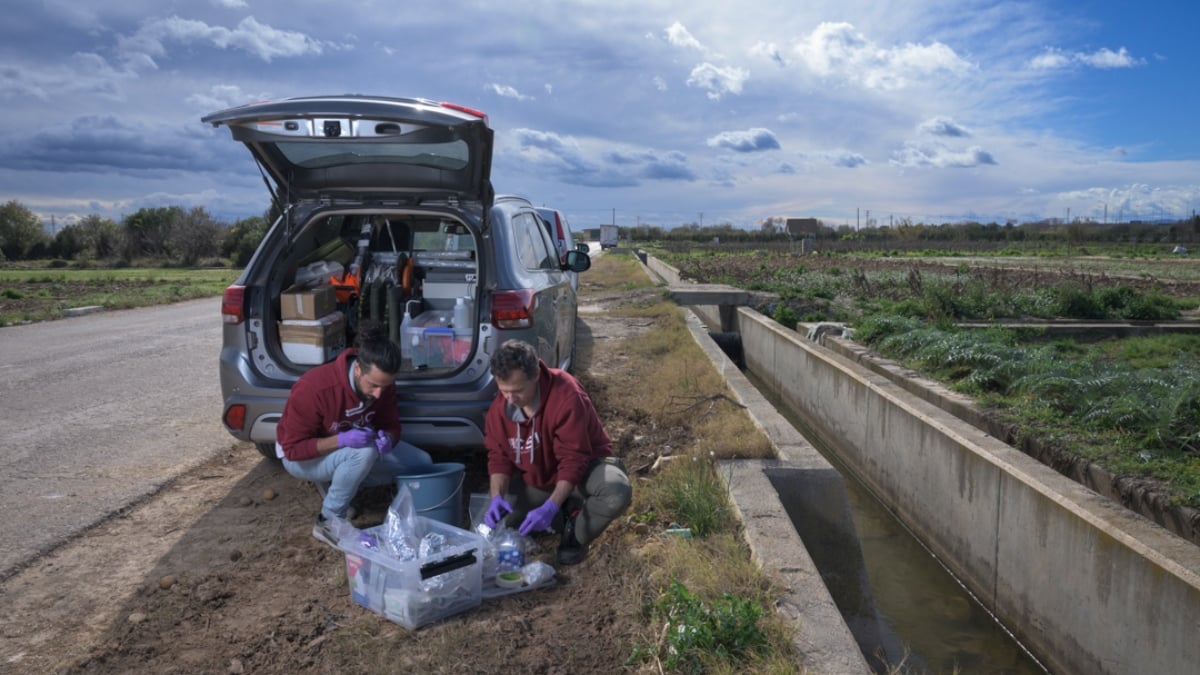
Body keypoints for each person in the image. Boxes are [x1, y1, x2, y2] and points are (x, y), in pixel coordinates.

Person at [276, 319, 432, 547]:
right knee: (364, 454)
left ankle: (342, 484)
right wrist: (340, 440)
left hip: (351, 453)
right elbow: (293, 449)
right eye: (373, 386)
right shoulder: (314, 388)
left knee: (422, 463)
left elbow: (391, 424)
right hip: (302, 458)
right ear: (358, 369)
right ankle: (328, 521)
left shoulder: (383, 385)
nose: (378, 394)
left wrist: (388, 438)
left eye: (385, 387)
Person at [482, 339, 632, 565]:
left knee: (616, 493)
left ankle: (575, 533)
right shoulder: (501, 408)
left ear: (535, 375)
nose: (511, 400)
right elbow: (499, 457)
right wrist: (497, 498)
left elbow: (574, 459)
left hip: (585, 471)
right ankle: (566, 510)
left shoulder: (566, 393)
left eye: (518, 391)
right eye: (504, 391)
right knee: (501, 521)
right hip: (540, 479)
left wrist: (549, 506)